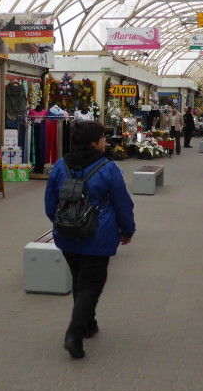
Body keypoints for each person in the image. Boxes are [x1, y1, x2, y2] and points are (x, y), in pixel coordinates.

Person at [44, 121, 135, 360]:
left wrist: (62, 222)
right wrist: (127, 230)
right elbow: (122, 202)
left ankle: (88, 324)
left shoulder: (60, 165)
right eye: (104, 138)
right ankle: (74, 334)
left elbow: (50, 204)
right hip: (98, 234)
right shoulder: (108, 168)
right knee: (91, 284)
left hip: (66, 235)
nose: (106, 141)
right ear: (94, 143)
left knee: (80, 280)